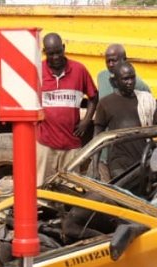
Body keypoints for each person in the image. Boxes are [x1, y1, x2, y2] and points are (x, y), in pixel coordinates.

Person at [37, 33, 98, 186]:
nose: (56, 57)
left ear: (64, 48)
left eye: (58, 52)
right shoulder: (37, 71)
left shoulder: (79, 70)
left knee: (71, 190)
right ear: (45, 53)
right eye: (51, 53)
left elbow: (93, 97)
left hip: (71, 144)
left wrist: (86, 121)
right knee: (42, 190)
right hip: (45, 145)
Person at [94, 61, 157, 177]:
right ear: (115, 82)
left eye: (132, 78)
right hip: (119, 164)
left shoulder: (146, 101)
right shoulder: (105, 104)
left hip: (143, 162)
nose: (130, 82)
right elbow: (97, 139)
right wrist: (94, 167)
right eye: (125, 79)